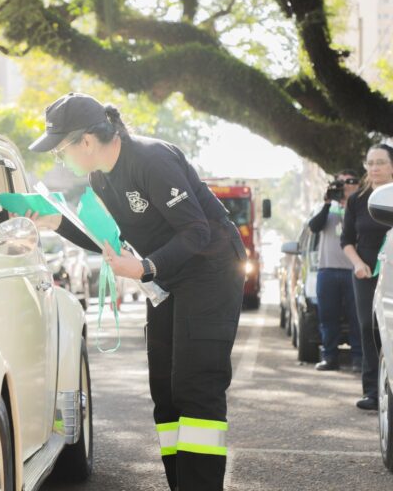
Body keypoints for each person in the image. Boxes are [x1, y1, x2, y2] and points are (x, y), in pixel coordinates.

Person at [23, 93, 246, 491]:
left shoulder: (151, 159)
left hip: (210, 271)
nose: (61, 160)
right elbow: (109, 241)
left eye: (61, 150)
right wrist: (57, 222)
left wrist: (146, 267)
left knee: (195, 386)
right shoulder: (100, 177)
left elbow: (197, 231)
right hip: (169, 277)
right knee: (165, 390)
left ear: (86, 141)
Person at [341, 143, 393, 411]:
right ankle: (373, 391)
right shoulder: (357, 200)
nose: (374, 168)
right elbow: (346, 240)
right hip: (366, 273)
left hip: (391, 268)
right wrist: (358, 264)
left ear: (392, 166)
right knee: (368, 328)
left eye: (380, 162)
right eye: (370, 163)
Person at [308, 170, 361, 372]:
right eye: (341, 183)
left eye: (350, 182)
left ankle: (359, 359)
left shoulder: (361, 207)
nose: (345, 186)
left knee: (357, 318)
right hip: (327, 270)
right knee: (328, 317)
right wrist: (328, 203)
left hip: (354, 270)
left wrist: (350, 205)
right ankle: (330, 358)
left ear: (358, 185)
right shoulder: (326, 207)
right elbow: (314, 227)